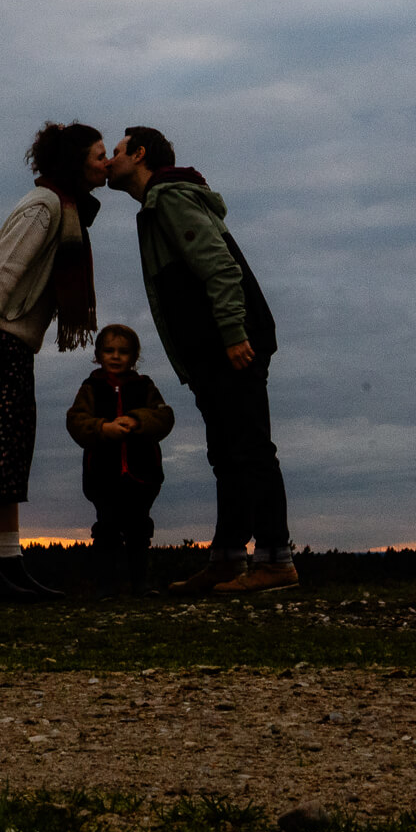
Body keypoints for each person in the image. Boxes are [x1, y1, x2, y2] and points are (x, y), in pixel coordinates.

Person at [105, 126, 298, 594]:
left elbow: (219, 266)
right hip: (211, 352)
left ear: (140, 154)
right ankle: (227, 559)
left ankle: (275, 559)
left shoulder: (169, 198)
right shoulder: (156, 207)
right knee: (227, 455)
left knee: (250, 450)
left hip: (231, 344)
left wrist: (233, 333)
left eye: (115, 152)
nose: (109, 162)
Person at [0, 121, 108, 600]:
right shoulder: (46, 205)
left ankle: (9, 564)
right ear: (77, 160)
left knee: (8, 456)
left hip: (12, 345)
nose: (105, 163)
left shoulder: (67, 207)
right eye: (99, 154)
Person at [66, 323, 175, 597]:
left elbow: (164, 417)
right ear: (98, 354)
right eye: (109, 350)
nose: (116, 356)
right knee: (107, 529)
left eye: (123, 352)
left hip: (142, 475)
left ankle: (141, 585)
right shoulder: (90, 387)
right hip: (103, 476)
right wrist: (103, 428)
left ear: (134, 357)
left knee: (139, 529)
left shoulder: (145, 386)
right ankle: (105, 587)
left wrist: (137, 420)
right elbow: (76, 421)